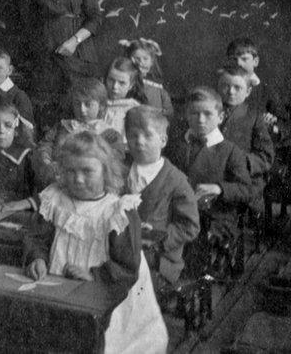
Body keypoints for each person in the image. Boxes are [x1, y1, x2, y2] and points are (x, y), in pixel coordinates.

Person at [24, 131, 168, 353]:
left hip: (106, 288)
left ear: (105, 172)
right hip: (56, 279)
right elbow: (38, 238)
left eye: (87, 171)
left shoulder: (117, 211)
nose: (78, 179)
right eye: (71, 171)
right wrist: (38, 257)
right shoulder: (54, 199)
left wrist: (93, 275)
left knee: (100, 339)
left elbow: (127, 265)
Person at [30, 0, 104, 125]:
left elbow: (95, 18)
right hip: (47, 51)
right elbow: (30, 22)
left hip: (78, 50)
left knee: (80, 101)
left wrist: (74, 41)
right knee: (50, 105)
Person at [166, 87, 254, 243]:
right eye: (195, 113)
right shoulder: (175, 145)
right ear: (187, 115)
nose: (200, 120)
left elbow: (247, 190)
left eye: (207, 114)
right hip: (177, 213)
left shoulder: (231, 151)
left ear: (220, 117)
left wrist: (220, 188)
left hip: (214, 218)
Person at [124, 106, 199, 287]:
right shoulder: (119, 170)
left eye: (148, 136)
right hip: (121, 251)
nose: (139, 142)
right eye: (133, 136)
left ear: (163, 140)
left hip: (158, 260)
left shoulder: (176, 180)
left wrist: (159, 237)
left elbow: (190, 226)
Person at [34, 78, 121, 185]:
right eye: (77, 103)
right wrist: (47, 161)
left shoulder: (110, 134)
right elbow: (45, 145)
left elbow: (114, 165)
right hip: (57, 180)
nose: (82, 110)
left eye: (88, 104)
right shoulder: (63, 126)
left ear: (101, 106)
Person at [0, 103, 43, 221]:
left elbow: (48, 193)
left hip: (21, 215)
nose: (1, 131)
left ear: (16, 129)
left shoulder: (28, 156)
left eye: (8, 125)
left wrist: (22, 204)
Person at [217, 65, 275, 194]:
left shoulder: (254, 117)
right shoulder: (209, 112)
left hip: (241, 180)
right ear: (218, 86)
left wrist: (241, 161)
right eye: (225, 86)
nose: (231, 91)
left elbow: (266, 156)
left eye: (237, 88)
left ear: (248, 91)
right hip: (213, 175)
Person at [227, 37, 288, 135]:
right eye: (233, 59)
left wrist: (272, 126)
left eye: (244, 59)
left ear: (255, 61)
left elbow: (285, 125)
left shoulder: (266, 91)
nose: (238, 63)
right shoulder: (223, 89)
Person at [121, 38, 173, 117]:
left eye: (145, 59)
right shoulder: (127, 81)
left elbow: (168, 109)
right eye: (137, 58)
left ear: (151, 61)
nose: (141, 62)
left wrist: (161, 113)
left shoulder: (157, 83)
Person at [101, 57, 146, 141]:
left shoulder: (134, 110)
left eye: (122, 83)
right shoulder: (96, 103)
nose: (115, 87)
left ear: (131, 85)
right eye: (111, 80)